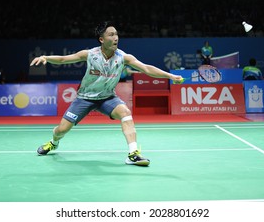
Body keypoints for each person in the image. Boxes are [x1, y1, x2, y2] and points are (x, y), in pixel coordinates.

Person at [30, 21, 183, 166]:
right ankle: (54, 143)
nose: (115, 37)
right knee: (61, 130)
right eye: (111, 35)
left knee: (125, 112)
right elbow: (64, 59)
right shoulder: (90, 54)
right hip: (84, 98)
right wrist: (46, 58)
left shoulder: (123, 57)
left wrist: (170, 76)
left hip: (107, 98)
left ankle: (133, 154)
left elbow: (146, 68)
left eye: (116, 34)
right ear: (101, 39)